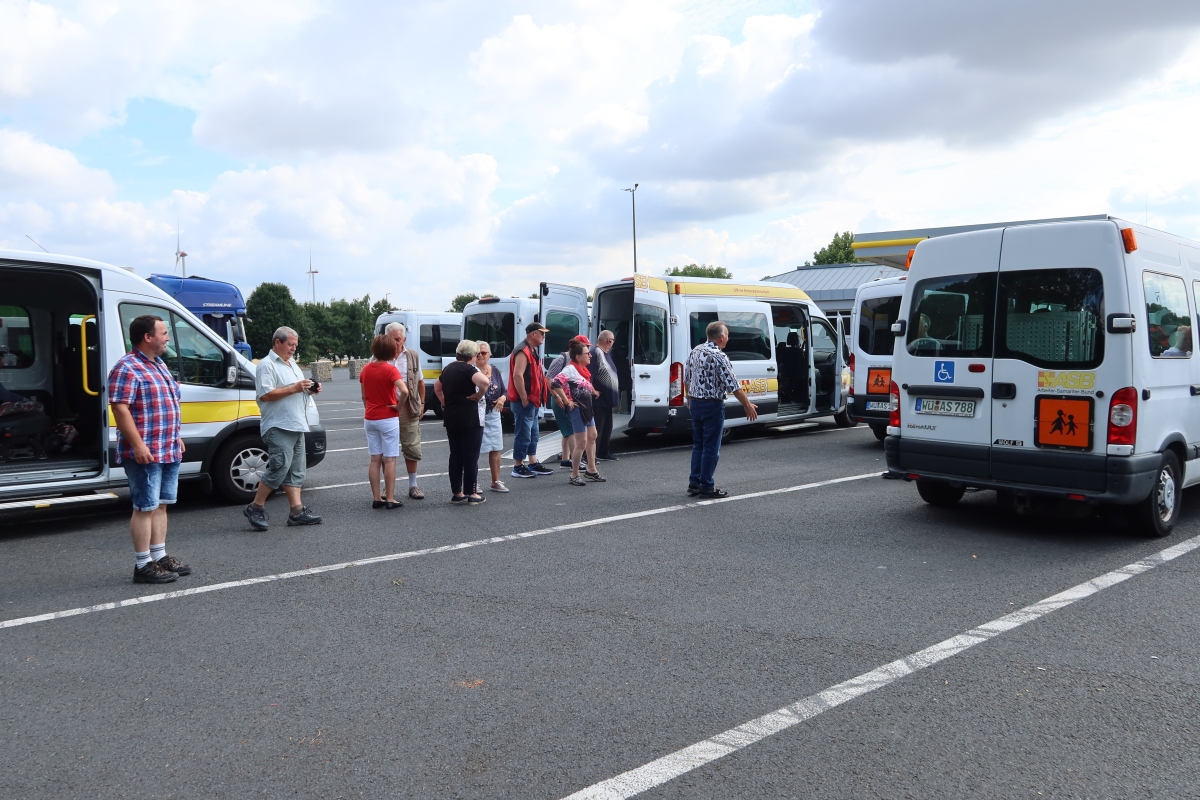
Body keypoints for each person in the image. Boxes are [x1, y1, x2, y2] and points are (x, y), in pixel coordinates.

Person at [108, 314, 190, 583]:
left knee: (162, 505)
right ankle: (143, 565)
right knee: (145, 507)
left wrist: (175, 436)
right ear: (147, 337)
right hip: (146, 451)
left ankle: (159, 556)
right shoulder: (127, 368)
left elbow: (166, 405)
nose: (167, 338)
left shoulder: (159, 364)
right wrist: (138, 444)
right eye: (164, 333)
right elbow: (120, 409)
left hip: (167, 447)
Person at [244, 326, 322, 530]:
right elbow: (265, 394)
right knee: (279, 468)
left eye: (295, 345)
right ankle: (255, 507)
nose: (294, 348)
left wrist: (309, 390)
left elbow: (295, 391)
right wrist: (295, 387)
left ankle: (297, 512)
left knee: (296, 471)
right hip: (278, 425)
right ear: (277, 342)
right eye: (290, 344)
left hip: (296, 424)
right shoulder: (267, 365)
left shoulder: (292, 364)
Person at [684, 320, 759, 498]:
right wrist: (747, 405)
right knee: (711, 447)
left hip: (695, 403)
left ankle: (694, 482)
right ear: (721, 337)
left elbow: (687, 376)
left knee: (699, 445)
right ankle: (706, 486)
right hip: (712, 405)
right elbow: (734, 386)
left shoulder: (696, 351)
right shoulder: (719, 356)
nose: (728, 339)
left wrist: (689, 397)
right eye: (727, 335)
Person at [436, 340, 491, 504]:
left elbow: (438, 387)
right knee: (471, 455)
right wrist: (479, 395)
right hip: (470, 417)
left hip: (451, 417)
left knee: (455, 455)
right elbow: (485, 382)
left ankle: (457, 492)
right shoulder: (469, 369)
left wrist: (445, 402)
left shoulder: (448, 368)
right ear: (472, 355)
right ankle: (472, 493)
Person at [360, 334, 409, 509]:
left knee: (375, 459)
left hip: (370, 417)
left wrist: (369, 408)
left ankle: (376, 498)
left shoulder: (366, 369)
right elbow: (404, 391)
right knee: (389, 459)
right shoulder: (390, 370)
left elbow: (364, 396)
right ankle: (389, 498)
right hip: (388, 417)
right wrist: (398, 406)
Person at [382, 322, 427, 500]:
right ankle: (386, 488)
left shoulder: (413, 356)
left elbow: (420, 382)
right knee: (387, 449)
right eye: (392, 339)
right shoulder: (379, 356)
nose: (395, 343)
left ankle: (413, 485)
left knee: (411, 447)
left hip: (408, 406)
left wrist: (422, 403)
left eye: (398, 339)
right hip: (386, 407)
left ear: (404, 339)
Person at [552, 340, 606, 486]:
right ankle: (574, 474)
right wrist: (566, 401)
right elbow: (555, 383)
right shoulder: (570, 369)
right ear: (577, 356)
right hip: (577, 409)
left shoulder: (583, 371)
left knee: (592, 436)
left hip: (587, 408)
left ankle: (591, 470)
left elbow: (584, 385)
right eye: (587, 353)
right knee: (581, 442)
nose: (590, 355)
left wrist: (594, 391)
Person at [507, 321, 555, 479]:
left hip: (532, 401)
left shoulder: (531, 350)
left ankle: (533, 463)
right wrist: (523, 397)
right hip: (525, 401)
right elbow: (517, 375)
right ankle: (518, 466)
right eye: (542, 333)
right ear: (533, 334)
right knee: (523, 434)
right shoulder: (523, 350)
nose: (544, 336)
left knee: (533, 434)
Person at [547, 334, 592, 468]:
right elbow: (549, 379)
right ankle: (575, 461)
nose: (588, 351)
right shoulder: (562, 359)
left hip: (569, 397)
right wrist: (557, 396)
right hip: (562, 398)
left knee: (567, 430)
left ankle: (565, 459)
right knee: (571, 430)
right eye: (586, 347)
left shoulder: (578, 363)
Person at [475, 341, 509, 492]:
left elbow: (504, 391)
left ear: (489, 355)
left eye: (484, 353)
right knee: (474, 448)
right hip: (477, 413)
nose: (481, 355)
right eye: (478, 353)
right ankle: (473, 482)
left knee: (495, 447)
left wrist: (502, 398)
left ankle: (496, 481)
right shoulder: (472, 371)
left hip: (494, 413)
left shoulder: (494, 370)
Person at [590, 330, 620, 461]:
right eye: (612, 341)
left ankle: (603, 451)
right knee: (597, 427)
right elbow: (589, 375)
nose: (613, 343)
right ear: (609, 340)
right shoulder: (595, 352)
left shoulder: (606, 353)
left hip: (607, 399)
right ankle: (591, 454)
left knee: (607, 427)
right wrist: (592, 390)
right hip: (599, 399)